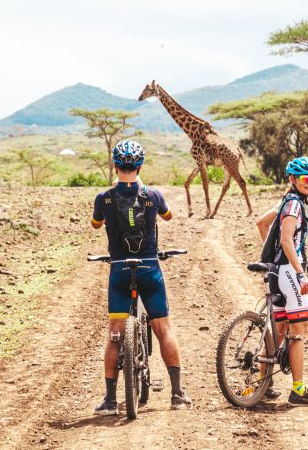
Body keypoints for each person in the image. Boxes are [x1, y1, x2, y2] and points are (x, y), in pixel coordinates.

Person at [91, 139, 192, 414]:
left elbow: (95, 223)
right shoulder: (154, 196)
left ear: (115, 164)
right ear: (140, 165)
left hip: (120, 270)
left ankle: (111, 401)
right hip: (149, 267)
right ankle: (178, 395)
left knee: (115, 334)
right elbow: (168, 217)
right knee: (164, 330)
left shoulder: (103, 198)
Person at [255, 157, 308, 406]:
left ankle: (263, 384)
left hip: (277, 272)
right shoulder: (295, 205)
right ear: (292, 179)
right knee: (298, 334)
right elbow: (286, 240)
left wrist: (273, 258)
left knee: (280, 331)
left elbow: (261, 223)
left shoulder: (285, 201)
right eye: (306, 179)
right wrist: (299, 270)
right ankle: (298, 389)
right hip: (289, 274)